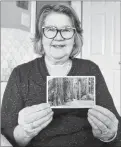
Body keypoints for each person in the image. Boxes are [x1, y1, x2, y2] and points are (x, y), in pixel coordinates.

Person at [1, 4, 121, 147]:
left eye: (66, 30)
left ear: (74, 37)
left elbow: (116, 130)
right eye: (51, 30)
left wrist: (109, 134)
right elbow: (6, 134)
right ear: (41, 36)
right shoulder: (20, 74)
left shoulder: (90, 69)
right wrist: (25, 132)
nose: (59, 37)